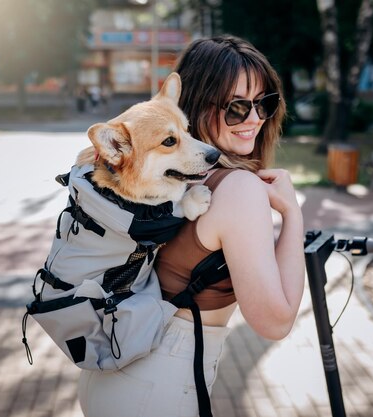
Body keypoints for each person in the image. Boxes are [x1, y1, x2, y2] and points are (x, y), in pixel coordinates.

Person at [77, 35, 305, 417]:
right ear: (197, 104)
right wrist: (293, 214)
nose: (254, 119)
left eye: (265, 103)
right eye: (236, 107)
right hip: (159, 386)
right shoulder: (238, 190)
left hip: (112, 374)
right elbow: (275, 321)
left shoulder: (167, 180)